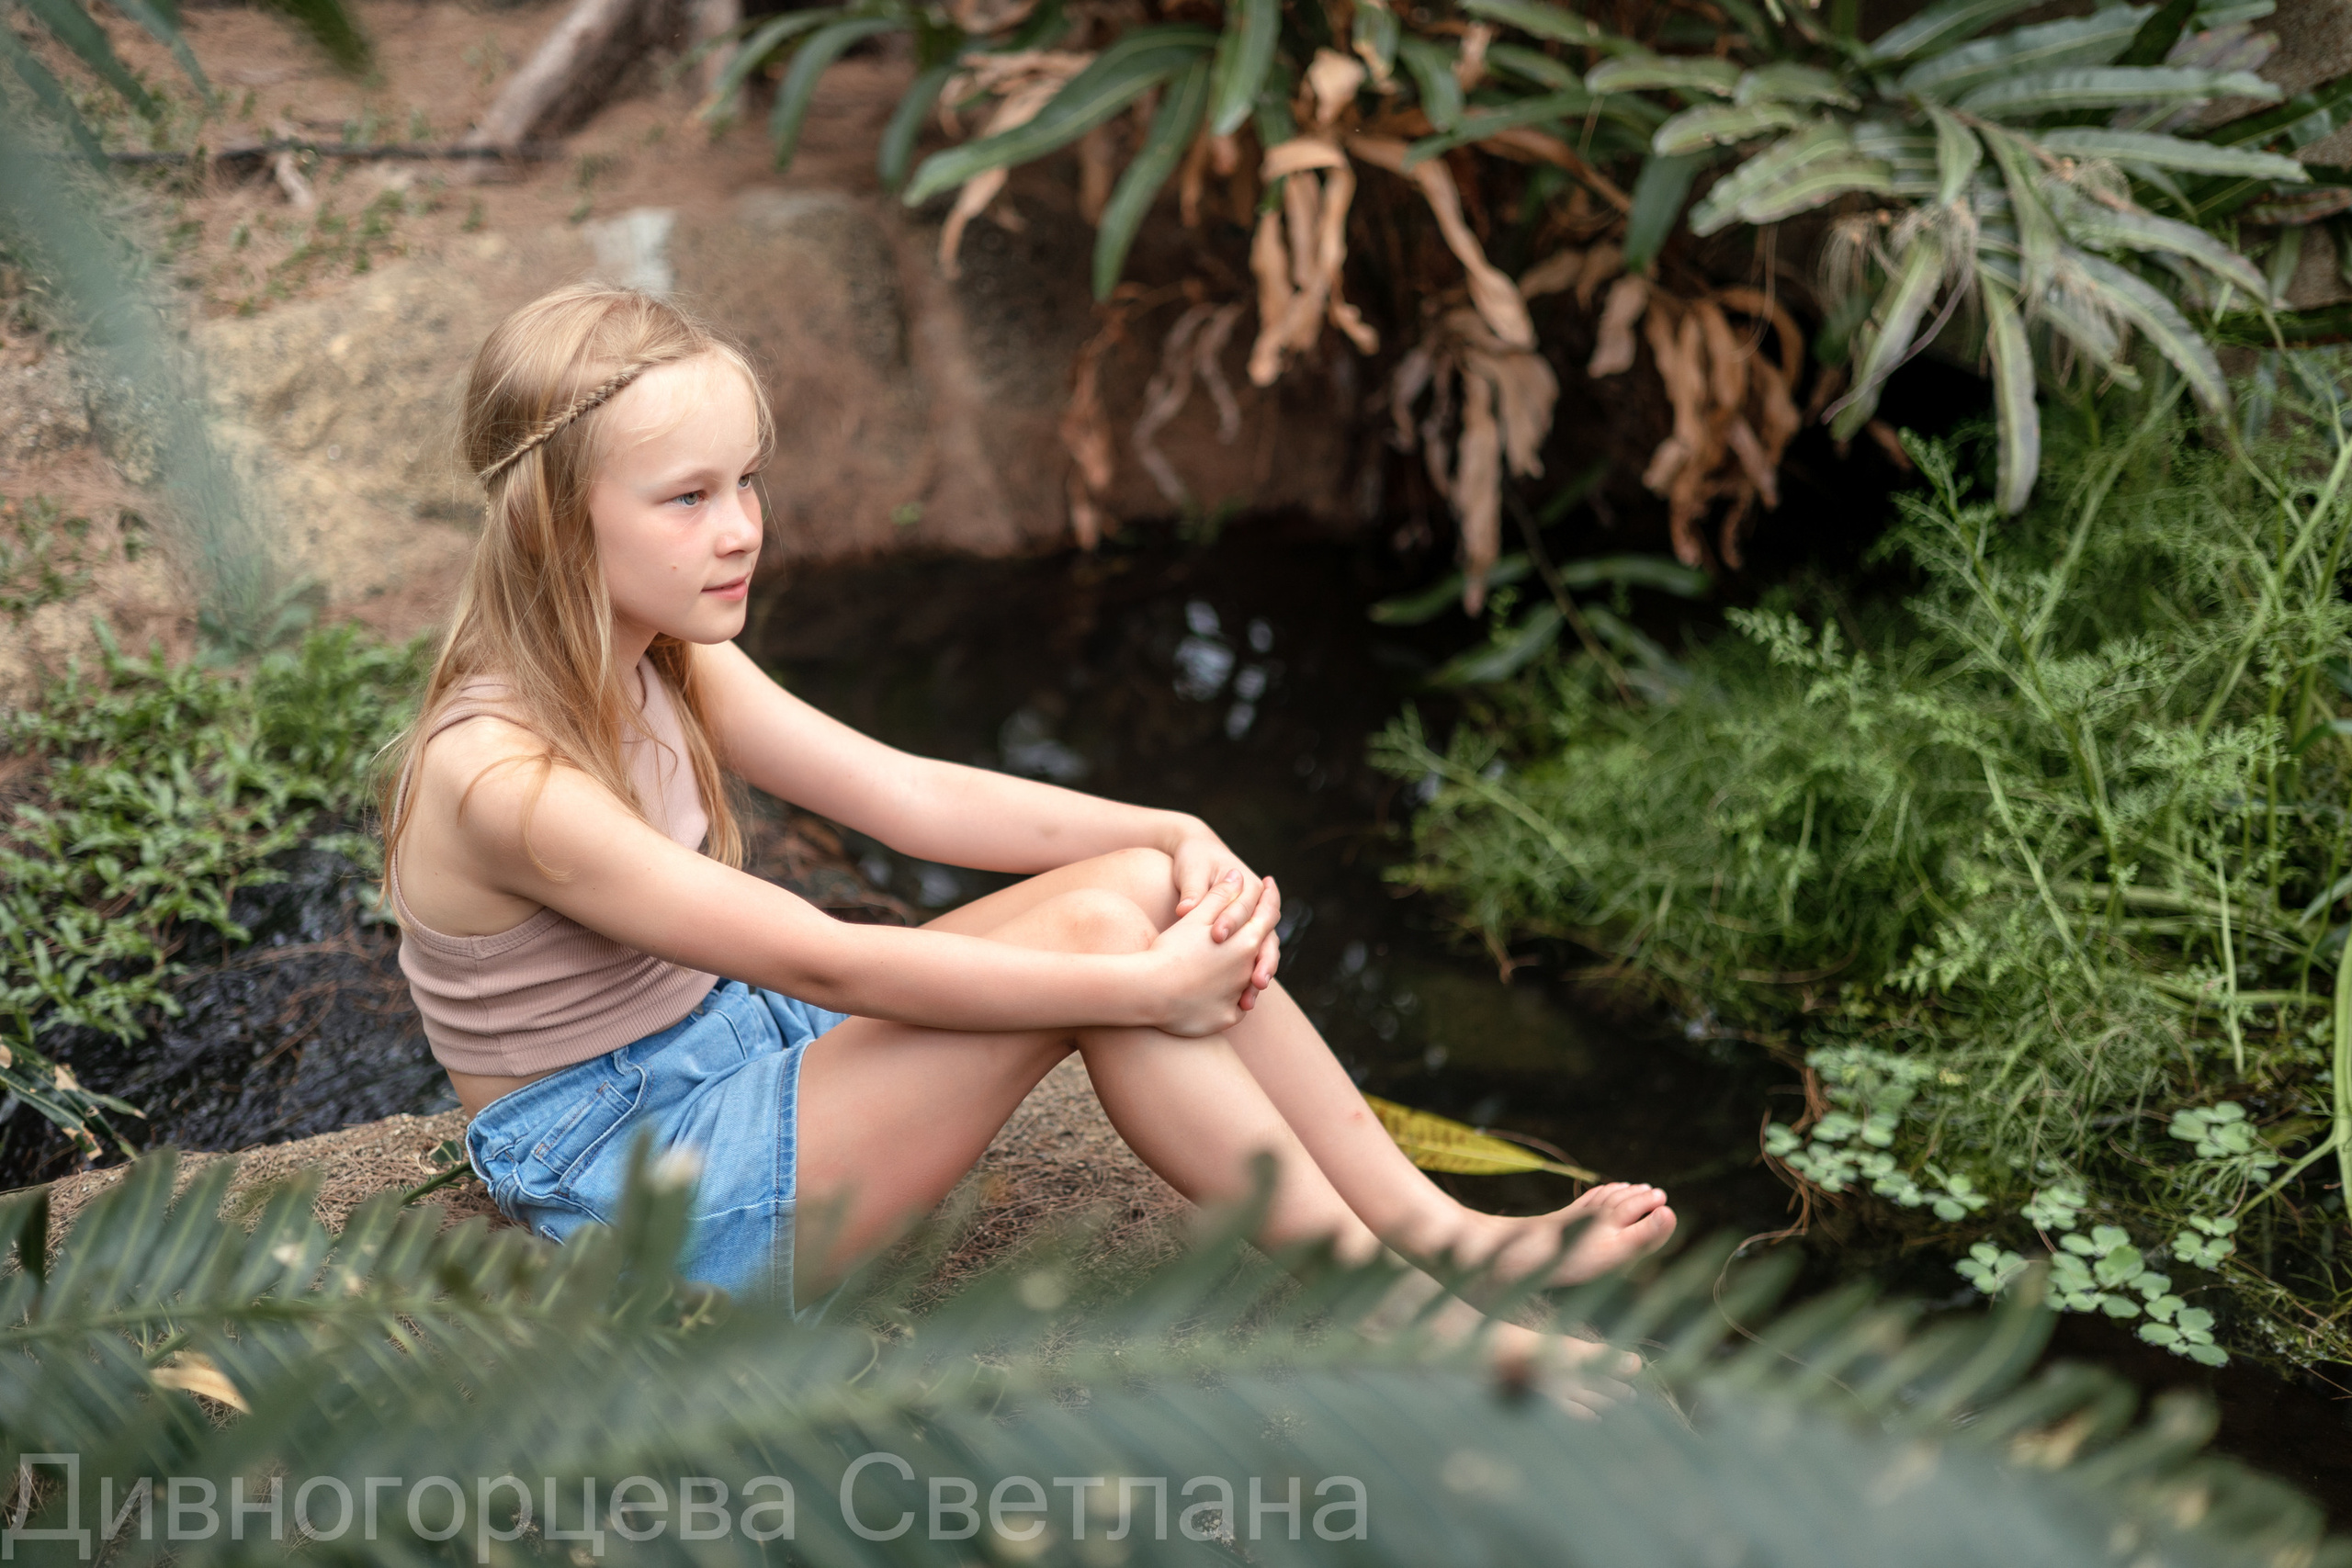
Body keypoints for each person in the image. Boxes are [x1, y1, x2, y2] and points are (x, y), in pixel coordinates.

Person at [380, 283, 1676, 1352]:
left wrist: (1166, 829)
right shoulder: (506, 785)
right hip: (637, 1186)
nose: (743, 531)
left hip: (737, 1061)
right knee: (1109, 958)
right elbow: (825, 960)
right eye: (688, 498)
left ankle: (1444, 1235)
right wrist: (1144, 991)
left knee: (1142, 893)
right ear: (554, 525)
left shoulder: (667, 658)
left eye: (747, 483)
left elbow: (909, 794)